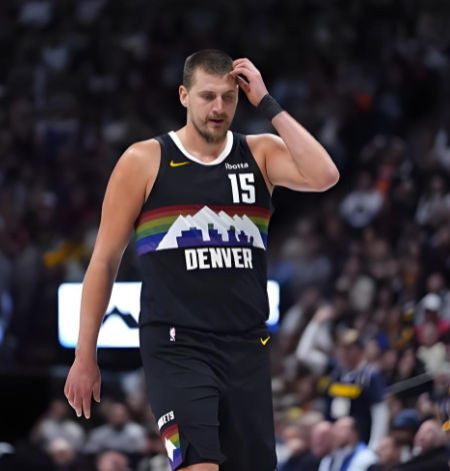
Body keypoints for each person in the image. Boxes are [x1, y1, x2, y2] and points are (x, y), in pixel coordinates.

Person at [63, 49, 340, 471]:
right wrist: (85, 355)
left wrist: (267, 103)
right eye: (208, 96)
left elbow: (325, 175)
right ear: (184, 96)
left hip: (246, 345)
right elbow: (103, 262)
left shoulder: (260, 153)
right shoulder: (144, 160)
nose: (219, 108)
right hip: (177, 345)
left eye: (229, 97)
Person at [321, 330, 389, 449]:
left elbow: (380, 411)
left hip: (360, 439)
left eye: (350, 349)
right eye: (343, 349)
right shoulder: (336, 374)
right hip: (337, 438)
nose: (345, 353)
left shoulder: (369, 376)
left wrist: (375, 443)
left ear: (361, 350)